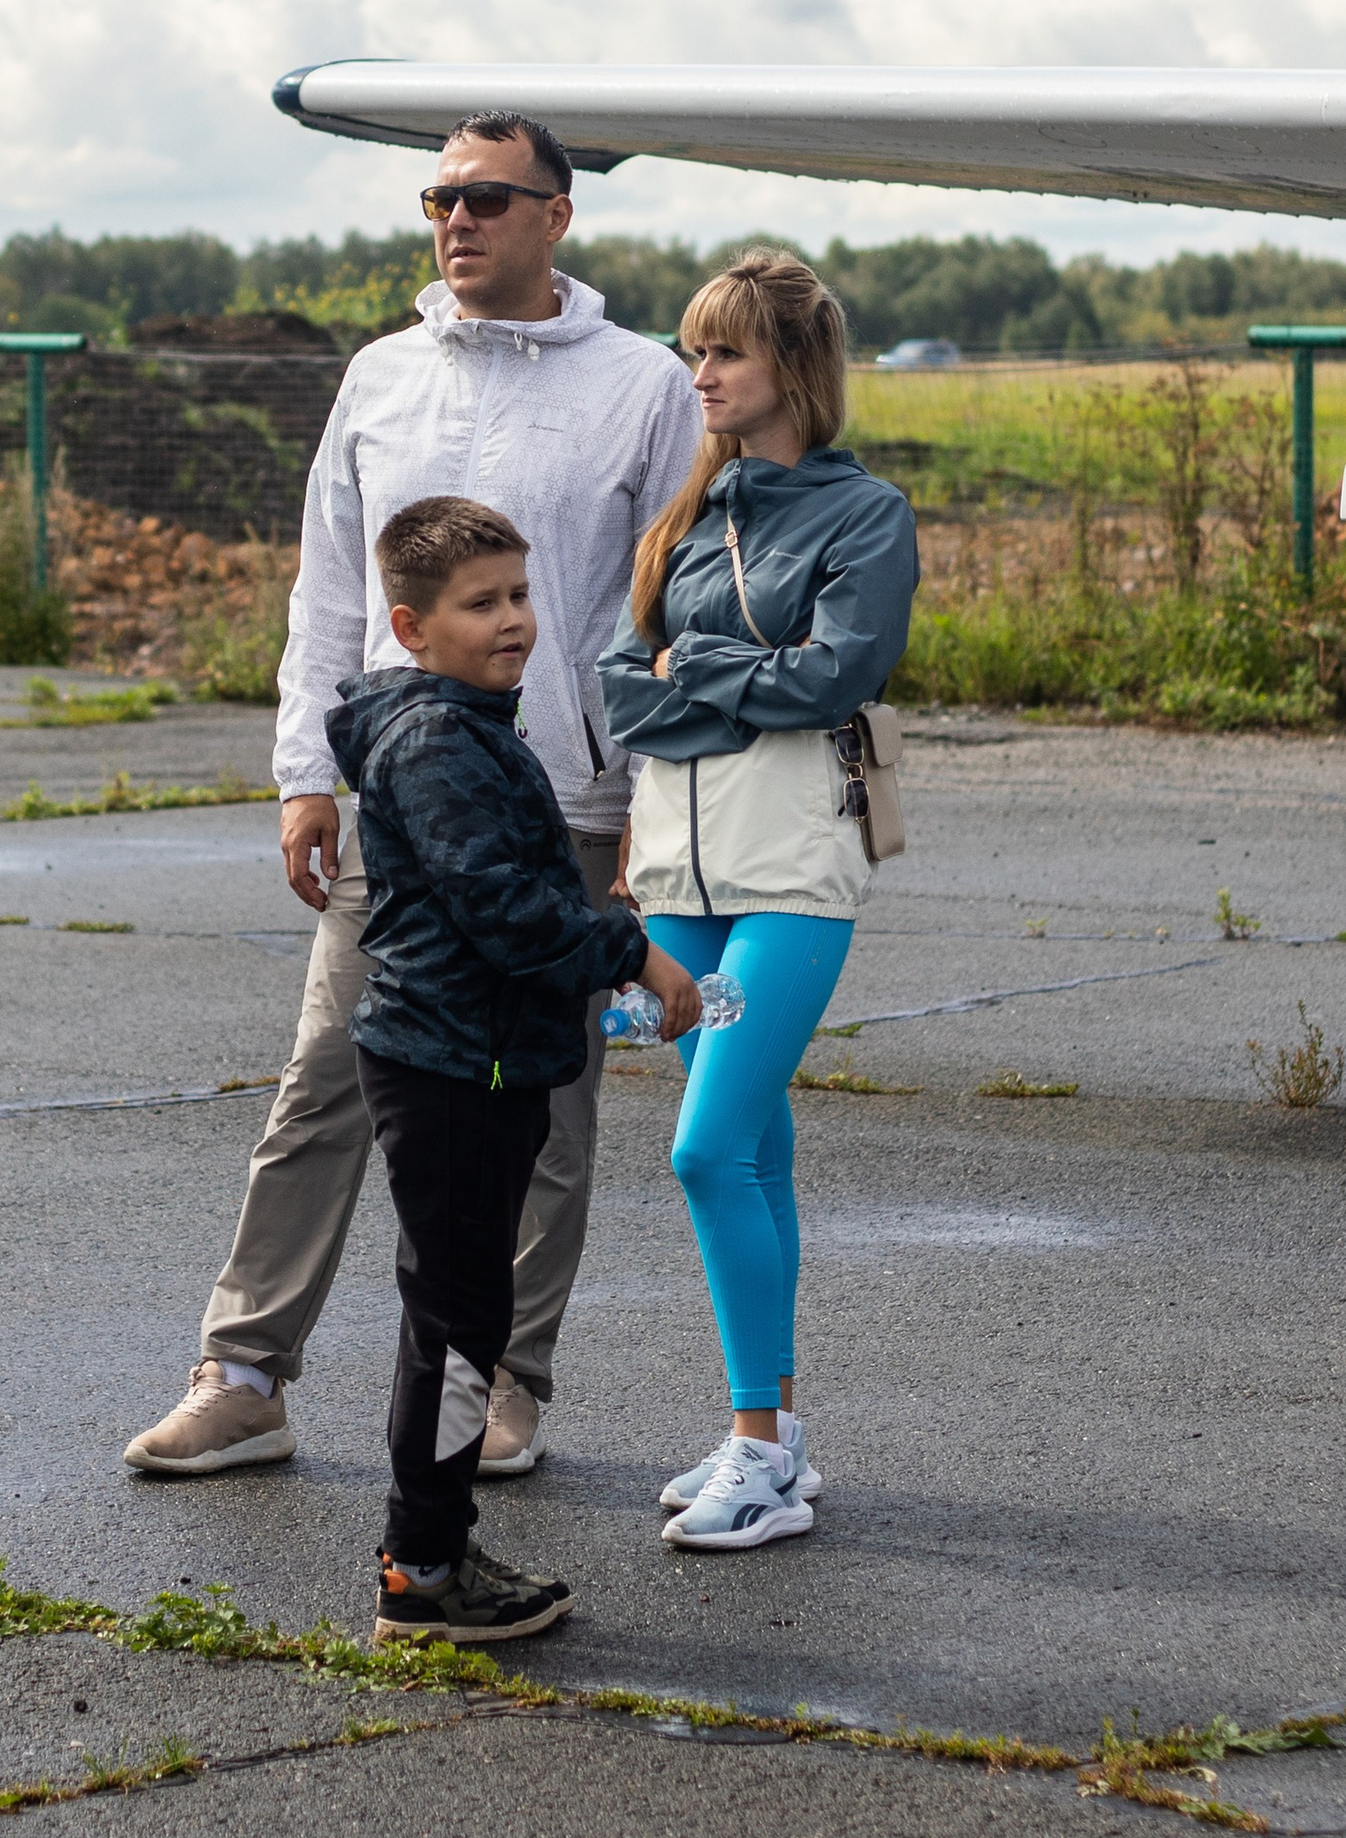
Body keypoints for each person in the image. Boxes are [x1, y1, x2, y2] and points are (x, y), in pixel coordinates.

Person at [124, 112, 701, 1478]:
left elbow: (664, 609)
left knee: (545, 1109)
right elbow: (328, 581)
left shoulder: (643, 385)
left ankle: (500, 1384)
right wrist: (303, 772)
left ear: (556, 214)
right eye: (440, 198)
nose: (458, 220)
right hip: (397, 800)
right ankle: (244, 1373)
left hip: (568, 805)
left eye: (488, 198)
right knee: (326, 1078)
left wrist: (650, 805)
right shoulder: (380, 375)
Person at [330, 496, 702, 1643]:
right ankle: (424, 1569)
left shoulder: (475, 725)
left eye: (519, 595)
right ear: (411, 626)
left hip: (479, 1059)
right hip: (453, 1068)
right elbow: (504, 913)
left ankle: (431, 1548)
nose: (512, 620)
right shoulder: (437, 743)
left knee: (459, 1313)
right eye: (479, 603)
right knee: (457, 1323)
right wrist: (630, 951)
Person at [598, 250, 918, 1554]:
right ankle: (776, 1434)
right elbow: (619, 689)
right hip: (675, 889)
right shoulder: (681, 518)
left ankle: (758, 1449)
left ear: (793, 364)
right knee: (754, 1143)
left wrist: (699, 667)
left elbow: (837, 675)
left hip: (792, 875)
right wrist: (737, 672)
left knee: (706, 1148)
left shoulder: (865, 514)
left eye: (725, 350)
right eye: (694, 350)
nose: (702, 373)